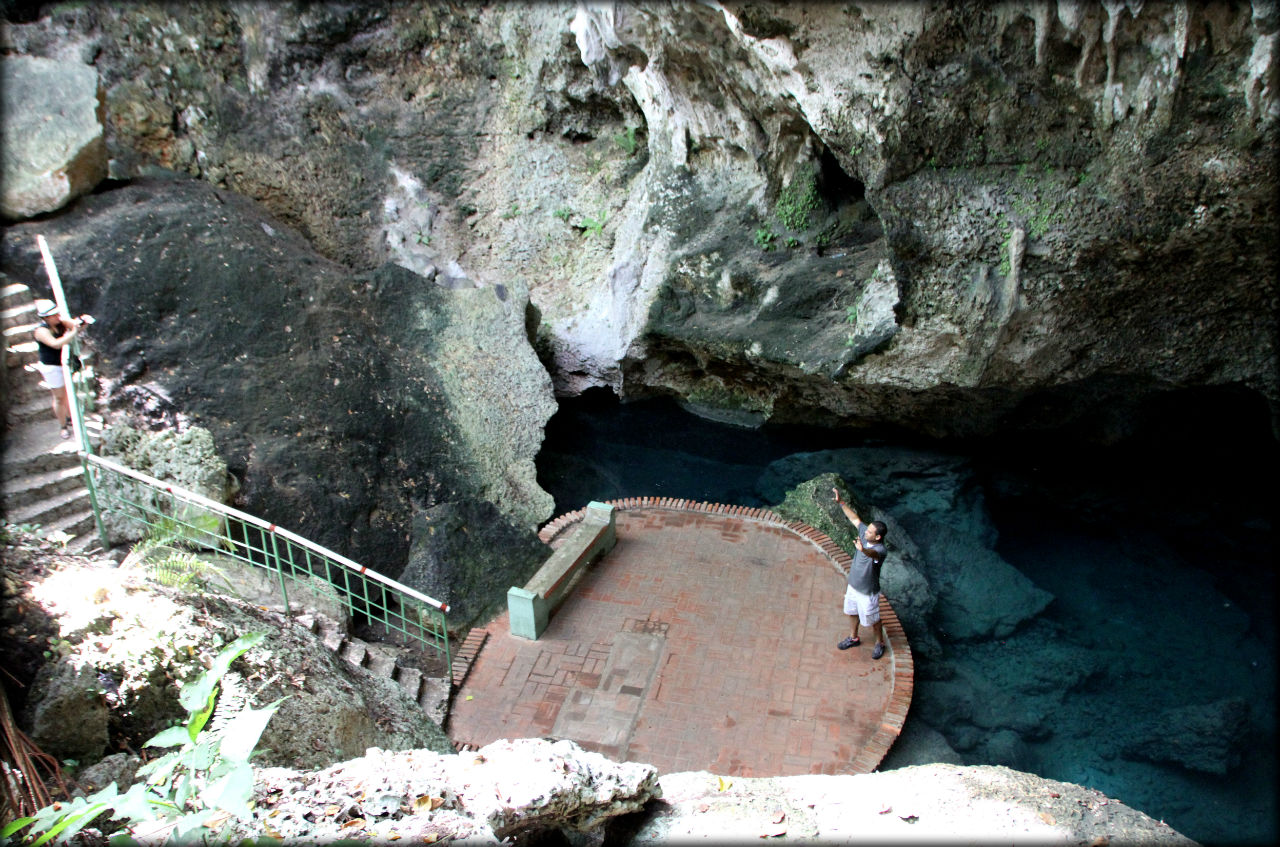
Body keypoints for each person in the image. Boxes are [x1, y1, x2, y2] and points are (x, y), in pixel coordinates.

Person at [832, 486, 889, 660]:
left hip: (867, 592)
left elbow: (872, 554)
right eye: (868, 529)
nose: (866, 532)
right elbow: (855, 519)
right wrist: (841, 502)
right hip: (853, 586)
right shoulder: (864, 534)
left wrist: (862, 549)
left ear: (877, 537)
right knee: (851, 612)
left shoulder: (880, 550)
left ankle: (880, 643)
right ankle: (853, 637)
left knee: (873, 619)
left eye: (870, 531)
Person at [31, 298, 89, 439]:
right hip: (51, 367)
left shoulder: (59, 322)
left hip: (63, 364)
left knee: (68, 394)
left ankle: (70, 417)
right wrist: (72, 333)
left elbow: (76, 325)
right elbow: (55, 344)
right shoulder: (40, 331)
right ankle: (63, 426)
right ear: (45, 318)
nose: (58, 316)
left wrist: (82, 322)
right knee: (59, 398)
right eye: (54, 315)